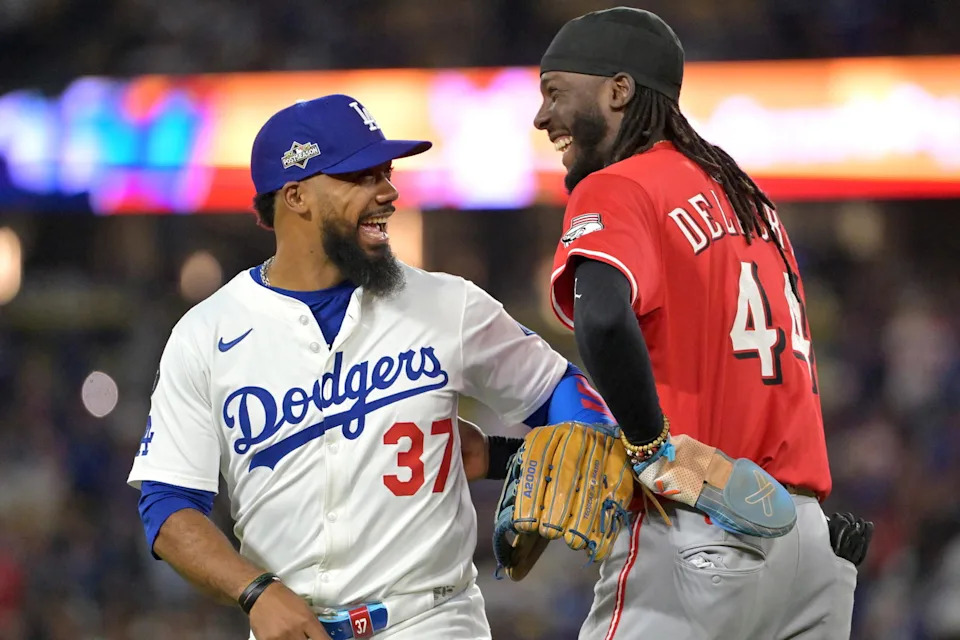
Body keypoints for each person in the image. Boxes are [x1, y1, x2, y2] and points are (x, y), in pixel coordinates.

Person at [126, 93, 621, 640]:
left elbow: (558, 388)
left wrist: (573, 438)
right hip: (293, 626)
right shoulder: (206, 333)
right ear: (297, 197)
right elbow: (168, 505)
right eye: (361, 176)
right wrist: (255, 592)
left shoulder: (446, 304)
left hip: (430, 618)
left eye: (385, 171)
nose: (388, 191)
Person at [533, 7, 859, 640]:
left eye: (554, 92)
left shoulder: (618, 185)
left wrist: (655, 452)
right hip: (810, 548)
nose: (542, 117)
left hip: (703, 522)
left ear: (618, 90)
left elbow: (601, 319)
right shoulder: (749, 201)